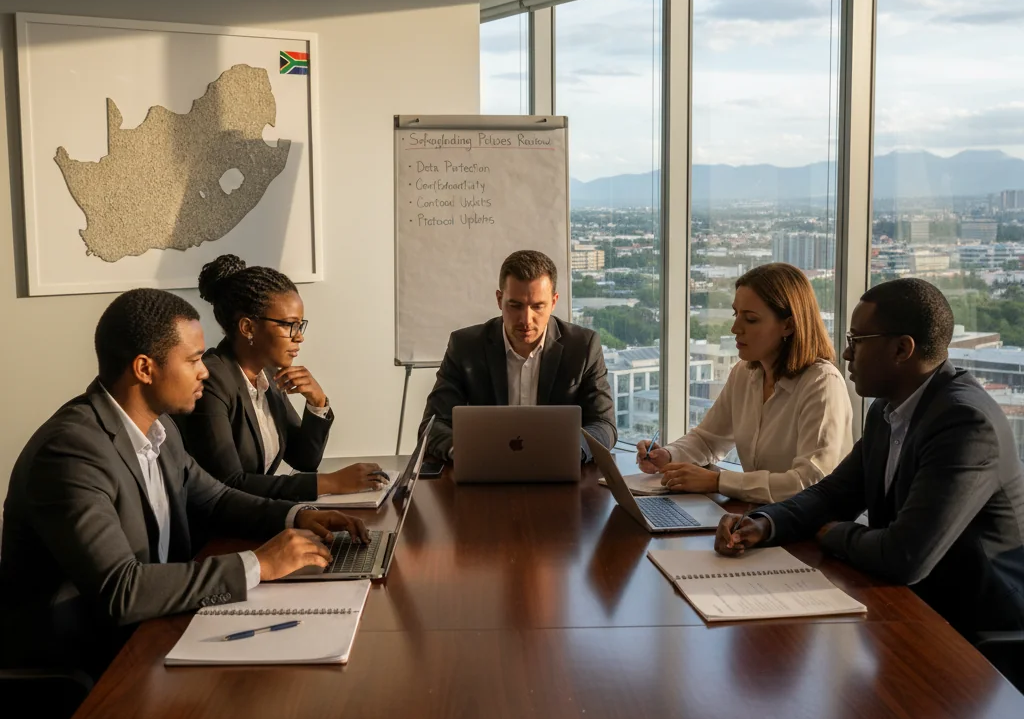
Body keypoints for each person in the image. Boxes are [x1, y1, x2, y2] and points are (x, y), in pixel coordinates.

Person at [0, 289, 370, 674]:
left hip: (153, 632)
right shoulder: (71, 451)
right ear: (145, 369)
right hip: (80, 669)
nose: (205, 370)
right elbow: (120, 591)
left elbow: (215, 500)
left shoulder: (161, 431)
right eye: (193, 359)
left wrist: (297, 517)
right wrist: (258, 564)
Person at [715, 278, 1024, 643]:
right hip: (909, 611)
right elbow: (832, 494)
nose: (846, 354)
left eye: (856, 341)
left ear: (901, 349)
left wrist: (833, 532)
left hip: (977, 636)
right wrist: (762, 523)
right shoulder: (887, 410)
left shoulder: (964, 423)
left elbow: (904, 556)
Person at [175, 254, 386, 501]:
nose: (299, 337)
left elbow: (304, 459)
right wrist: (331, 482)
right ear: (248, 328)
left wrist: (317, 402)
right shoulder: (212, 382)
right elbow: (229, 484)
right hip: (217, 533)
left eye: (300, 325)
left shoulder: (267, 374)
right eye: (289, 325)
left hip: (256, 518)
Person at [637, 263, 852, 504]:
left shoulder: (822, 384)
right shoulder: (744, 373)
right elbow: (708, 440)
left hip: (806, 528)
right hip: (757, 518)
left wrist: (718, 482)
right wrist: (667, 455)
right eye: (735, 314)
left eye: (750, 319)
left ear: (788, 325)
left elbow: (810, 481)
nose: (735, 328)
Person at [418, 249, 616, 462]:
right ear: (499, 299)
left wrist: (570, 451)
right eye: (515, 306)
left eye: (538, 306)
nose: (526, 320)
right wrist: (463, 451)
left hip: (558, 472)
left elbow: (604, 425)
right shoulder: (466, 346)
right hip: (484, 470)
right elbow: (432, 425)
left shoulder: (583, 346)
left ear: (554, 302)